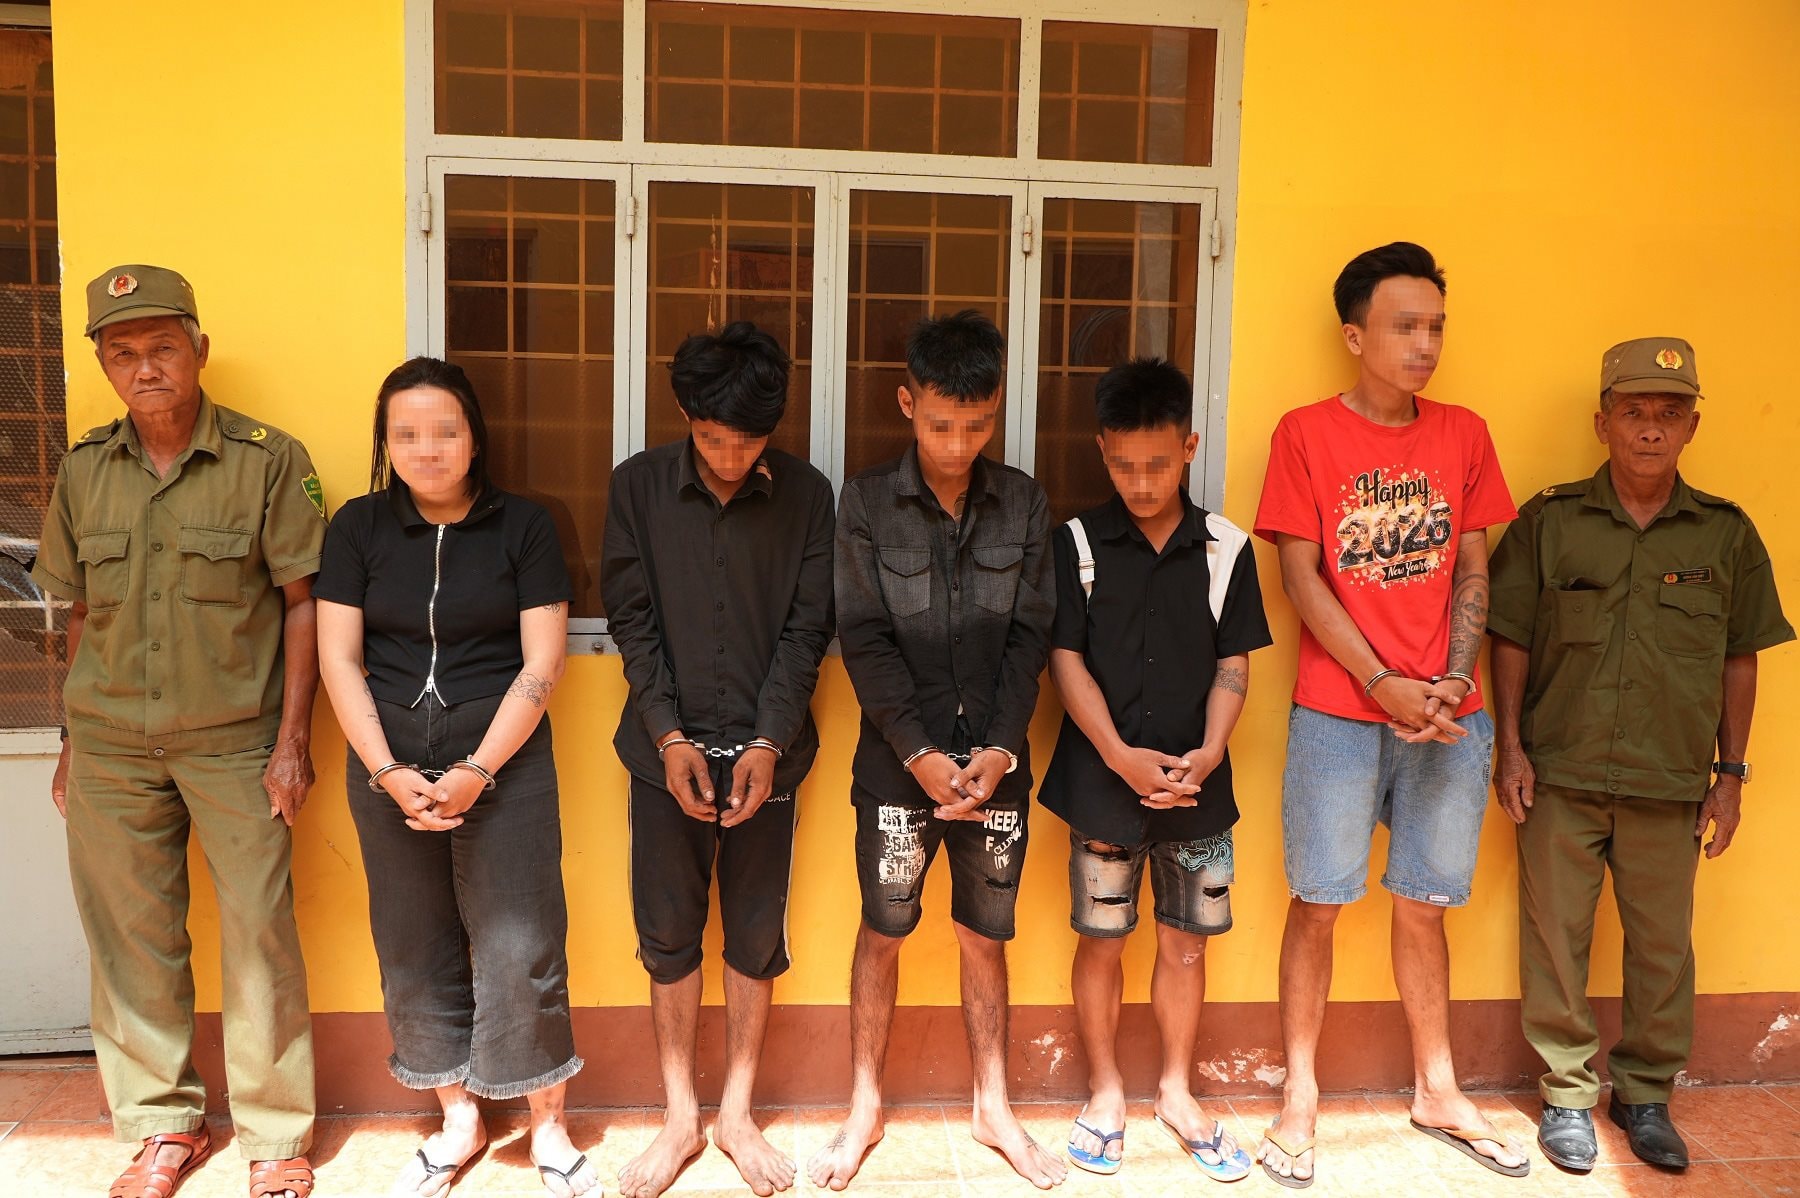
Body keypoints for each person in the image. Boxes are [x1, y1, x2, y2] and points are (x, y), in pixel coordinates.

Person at [33, 265, 323, 1198]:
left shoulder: (266, 460)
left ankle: (276, 1133)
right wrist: (71, 743)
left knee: (259, 934)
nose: (145, 367)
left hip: (236, 742)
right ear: (104, 366)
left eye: (162, 347)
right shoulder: (85, 470)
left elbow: (304, 604)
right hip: (112, 744)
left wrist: (293, 743)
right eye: (123, 353)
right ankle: (164, 1126)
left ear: (199, 348)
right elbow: (81, 614)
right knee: (131, 935)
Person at [1251, 243, 1529, 1186]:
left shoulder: (1464, 433)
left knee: (1424, 906)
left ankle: (1437, 1087)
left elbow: (1474, 567)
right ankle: (1299, 1094)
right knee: (1320, 903)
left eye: (1436, 327)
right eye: (1405, 326)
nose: (1426, 345)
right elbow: (1300, 578)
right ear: (1354, 335)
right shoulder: (1305, 434)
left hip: (1450, 716)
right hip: (1339, 712)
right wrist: (1382, 684)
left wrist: (1450, 679)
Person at [1487, 338, 1793, 1172]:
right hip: (1560, 770)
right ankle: (1566, 1093)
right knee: (1555, 937)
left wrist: (1730, 776)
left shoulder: (1726, 534)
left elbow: (1740, 655)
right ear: (1603, 423)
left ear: (1692, 427)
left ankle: (1646, 1092)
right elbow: (1509, 636)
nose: (1651, 429)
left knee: (1663, 945)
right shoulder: (1550, 522)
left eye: (1669, 413)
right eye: (1633, 412)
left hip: (1670, 777)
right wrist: (1509, 748)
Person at [313, 357, 596, 1198]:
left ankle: (548, 1124)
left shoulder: (526, 526)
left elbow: (544, 662)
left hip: (504, 760)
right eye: (406, 434)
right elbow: (338, 658)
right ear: (385, 443)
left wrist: (477, 769)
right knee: (413, 939)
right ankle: (459, 1119)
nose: (427, 449)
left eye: (445, 431)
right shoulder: (358, 528)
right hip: (387, 761)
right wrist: (387, 770)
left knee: (522, 942)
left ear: (475, 438)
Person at [810, 310, 1063, 1192]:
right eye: (941, 425)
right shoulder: (866, 504)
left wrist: (1000, 748)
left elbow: (1030, 638)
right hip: (896, 767)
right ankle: (865, 1105)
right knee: (884, 931)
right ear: (907, 404)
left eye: (978, 426)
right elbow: (864, 637)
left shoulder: (1024, 503)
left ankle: (993, 1107)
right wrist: (918, 753)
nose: (958, 446)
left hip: (996, 770)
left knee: (983, 935)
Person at [601, 322, 835, 1198]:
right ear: (686, 418)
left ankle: (736, 1114)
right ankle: (679, 1118)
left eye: (748, 441)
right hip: (661, 754)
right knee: (667, 936)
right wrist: (668, 737)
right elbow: (632, 622)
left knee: (754, 934)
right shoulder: (637, 488)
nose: (730, 459)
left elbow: (807, 630)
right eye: (710, 439)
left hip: (771, 756)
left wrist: (769, 740)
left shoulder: (809, 496)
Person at [1041, 358, 1273, 1180]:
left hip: (1198, 790)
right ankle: (1105, 1090)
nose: (1141, 483)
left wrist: (1209, 752)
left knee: (1187, 946)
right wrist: (1117, 754)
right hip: (1104, 787)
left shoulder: (1226, 549)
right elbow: (1064, 659)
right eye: (1123, 465)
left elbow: (1234, 664)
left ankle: (1176, 1090)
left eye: (1159, 464)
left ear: (1190, 448)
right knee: (1102, 940)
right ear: (1102, 451)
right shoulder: (1076, 545)